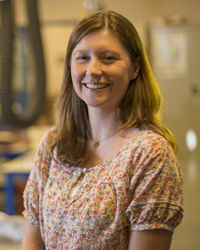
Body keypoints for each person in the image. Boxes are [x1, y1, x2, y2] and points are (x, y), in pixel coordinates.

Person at [22, 10, 183, 250]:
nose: (93, 70)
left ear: (135, 68)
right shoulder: (54, 143)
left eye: (108, 58)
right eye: (82, 57)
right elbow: (32, 240)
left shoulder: (150, 154)